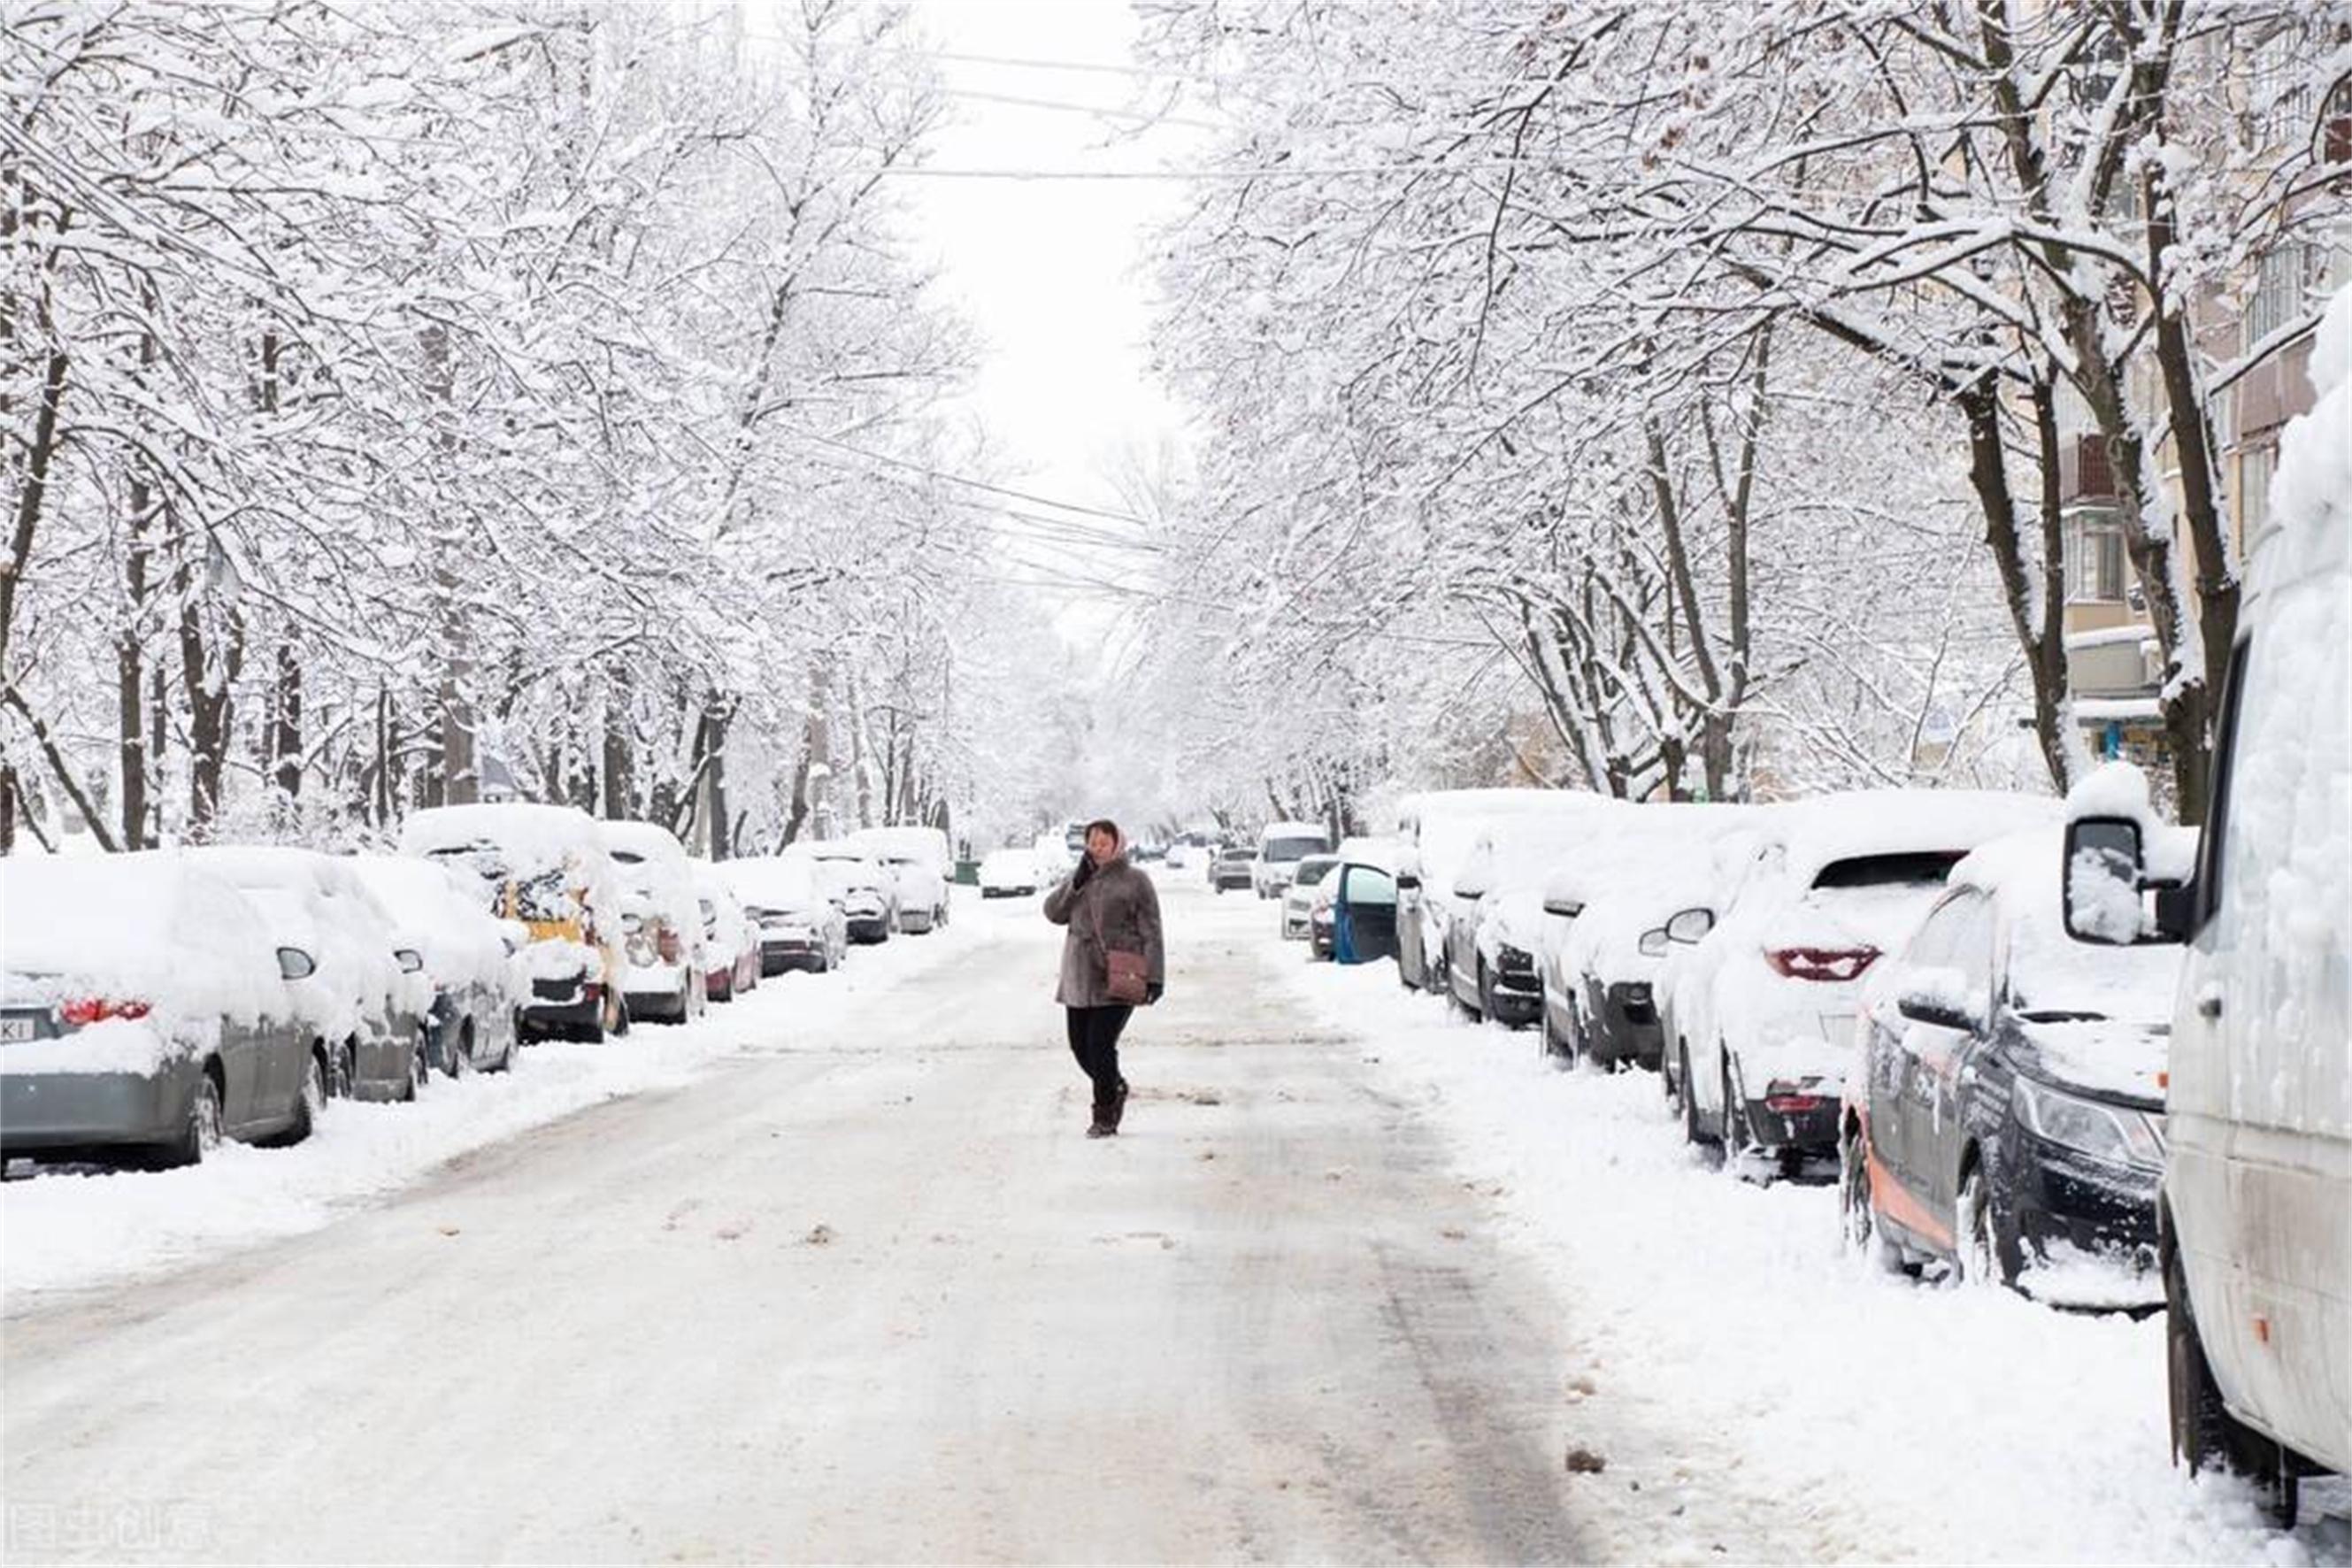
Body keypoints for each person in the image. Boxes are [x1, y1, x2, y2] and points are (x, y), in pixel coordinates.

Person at [1042, 819, 1165, 1137]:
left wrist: (1155, 976)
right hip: (1078, 976)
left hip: (1118, 975)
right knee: (1079, 1047)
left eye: (1103, 842)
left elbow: (1151, 930)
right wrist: (1075, 884)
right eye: (1092, 841)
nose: (1097, 847)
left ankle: (1105, 1115)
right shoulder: (1078, 877)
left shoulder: (1136, 880)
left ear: (1117, 844)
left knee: (1100, 1045)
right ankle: (1116, 1085)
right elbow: (1054, 913)